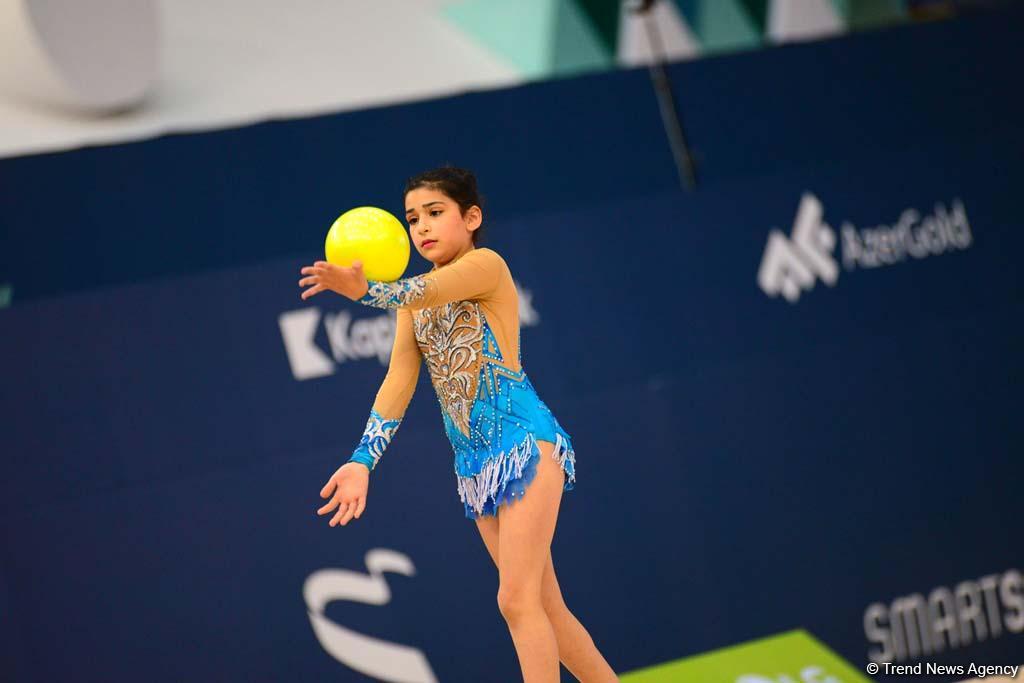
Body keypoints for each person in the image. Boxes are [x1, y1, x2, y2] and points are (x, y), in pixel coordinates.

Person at [298, 166, 618, 682]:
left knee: (515, 602)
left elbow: (423, 291)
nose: (421, 227)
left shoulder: (485, 266)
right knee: (544, 608)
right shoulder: (413, 306)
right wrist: (362, 461)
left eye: (435, 212)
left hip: (524, 446)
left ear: (472, 217)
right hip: (476, 467)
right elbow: (397, 384)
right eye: (412, 219)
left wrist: (366, 292)